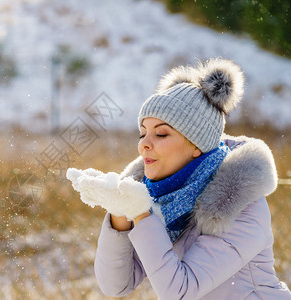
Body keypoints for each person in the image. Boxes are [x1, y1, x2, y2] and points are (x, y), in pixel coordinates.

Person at [66, 58, 291, 299]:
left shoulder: (240, 204)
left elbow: (180, 291)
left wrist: (140, 213)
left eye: (161, 133)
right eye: (143, 133)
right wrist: (120, 213)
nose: (144, 145)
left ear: (197, 144)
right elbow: (116, 285)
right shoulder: (163, 196)